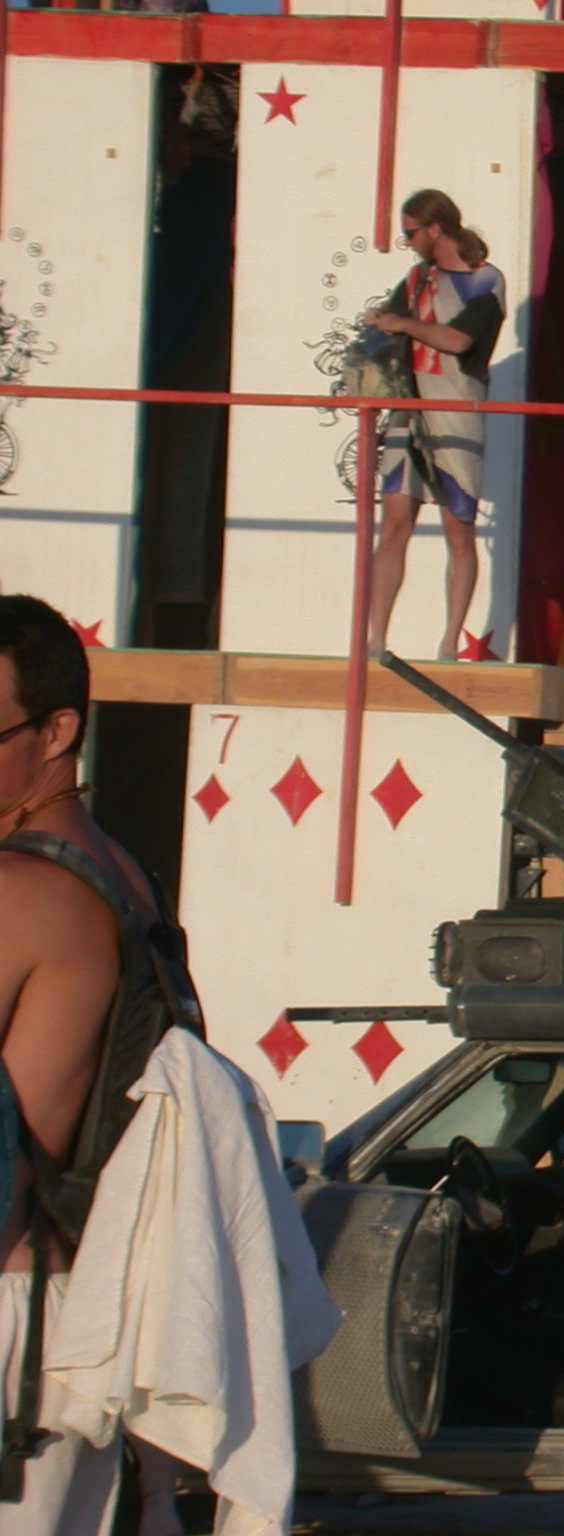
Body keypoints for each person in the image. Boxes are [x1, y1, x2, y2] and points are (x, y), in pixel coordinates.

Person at [0, 595, 169, 1528]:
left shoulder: (19, 890)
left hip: (12, 1317)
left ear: (57, 731)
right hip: (79, 1314)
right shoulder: (123, 875)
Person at [363, 189, 507, 660]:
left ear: (434, 228)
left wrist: (402, 325)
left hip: (456, 407)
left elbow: (458, 340)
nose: (407, 242)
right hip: (408, 408)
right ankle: (374, 641)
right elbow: (385, 326)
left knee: (458, 529)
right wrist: (379, 322)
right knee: (393, 525)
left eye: (410, 233)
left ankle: (448, 643)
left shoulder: (485, 279)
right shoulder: (414, 279)